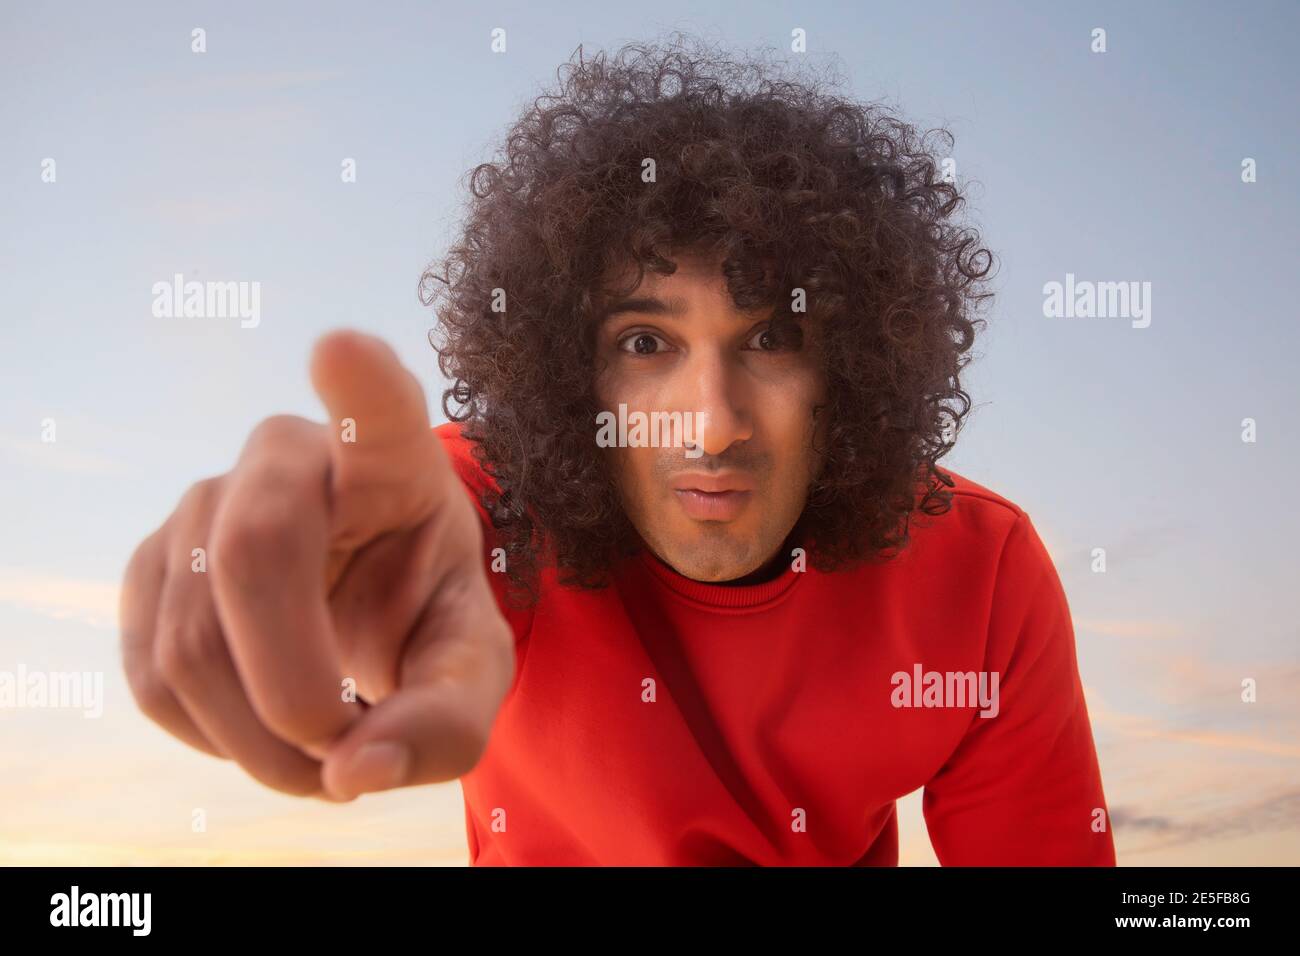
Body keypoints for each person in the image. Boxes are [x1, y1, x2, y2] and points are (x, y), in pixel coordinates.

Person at [119, 35, 1116, 865]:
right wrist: (310, 569)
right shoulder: (483, 506)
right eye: (644, 343)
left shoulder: (982, 576)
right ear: (567, 373)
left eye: (771, 338)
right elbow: (414, 536)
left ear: (852, 365)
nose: (711, 422)